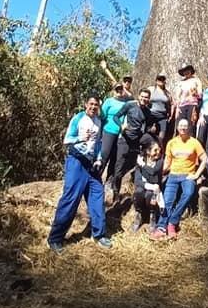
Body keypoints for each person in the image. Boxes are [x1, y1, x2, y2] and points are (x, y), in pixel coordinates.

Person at [47, 97, 112, 252]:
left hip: (91, 165)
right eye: (91, 104)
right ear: (85, 105)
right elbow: (66, 140)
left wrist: (99, 159)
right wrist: (80, 138)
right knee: (71, 198)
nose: (93, 107)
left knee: (97, 196)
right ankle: (55, 239)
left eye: (96, 105)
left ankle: (99, 234)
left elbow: (98, 143)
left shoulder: (98, 121)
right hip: (76, 162)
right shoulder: (78, 118)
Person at [151, 118, 206, 240]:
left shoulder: (194, 142)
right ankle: (161, 227)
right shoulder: (171, 143)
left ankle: (172, 223)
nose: (183, 128)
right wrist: (156, 172)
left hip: (188, 175)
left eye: (185, 126)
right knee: (167, 200)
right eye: (181, 126)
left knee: (188, 193)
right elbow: (167, 162)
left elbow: (205, 159)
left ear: (189, 128)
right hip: (173, 175)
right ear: (177, 128)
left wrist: (196, 175)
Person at [111, 88, 160, 197]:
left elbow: (147, 128)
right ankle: (115, 192)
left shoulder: (147, 112)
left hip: (137, 141)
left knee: (136, 164)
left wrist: (151, 130)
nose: (144, 99)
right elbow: (115, 117)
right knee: (119, 168)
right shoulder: (129, 105)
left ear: (149, 99)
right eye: (142, 96)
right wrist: (121, 125)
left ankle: (142, 186)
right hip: (125, 140)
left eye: (146, 97)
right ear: (139, 96)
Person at [130, 134, 165, 232]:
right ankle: (139, 214)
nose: (158, 153)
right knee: (139, 192)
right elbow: (137, 181)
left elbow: (154, 175)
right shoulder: (140, 161)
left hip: (154, 191)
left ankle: (152, 215)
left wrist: (143, 166)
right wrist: (150, 185)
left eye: (159, 150)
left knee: (150, 194)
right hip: (147, 187)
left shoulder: (159, 162)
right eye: (155, 150)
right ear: (148, 151)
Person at [101, 82, 127, 202]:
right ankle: (95, 181)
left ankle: (109, 184)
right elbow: (102, 115)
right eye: (117, 89)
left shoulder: (126, 102)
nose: (119, 91)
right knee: (104, 156)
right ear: (113, 90)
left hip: (120, 134)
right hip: (108, 130)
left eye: (121, 89)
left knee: (115, 160)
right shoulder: (109, 101)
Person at [174, 62, 202, 136]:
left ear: (191, 70)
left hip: (192, 105)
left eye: (187, 70)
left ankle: (190, 143)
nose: (186, 72)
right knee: (180, 124)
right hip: (182, 106)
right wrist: (177, 107)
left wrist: (195, 94)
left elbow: (200, 94)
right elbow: (177, 96)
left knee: (191, 124)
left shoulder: (196, 80)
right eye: (184, 71)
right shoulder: (181, 82)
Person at [149, 72, 173, 147]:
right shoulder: (151, 89)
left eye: (163, 79)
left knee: (162, 135)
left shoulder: (167, 93)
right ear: (156, 80)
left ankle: (159, 151)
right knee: (150, 133)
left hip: (162, 116)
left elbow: (172, 104)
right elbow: (145, 98)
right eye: (159, 79)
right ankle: (148, 151)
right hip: (151, 114)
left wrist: (171, 115)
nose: (161, 81)